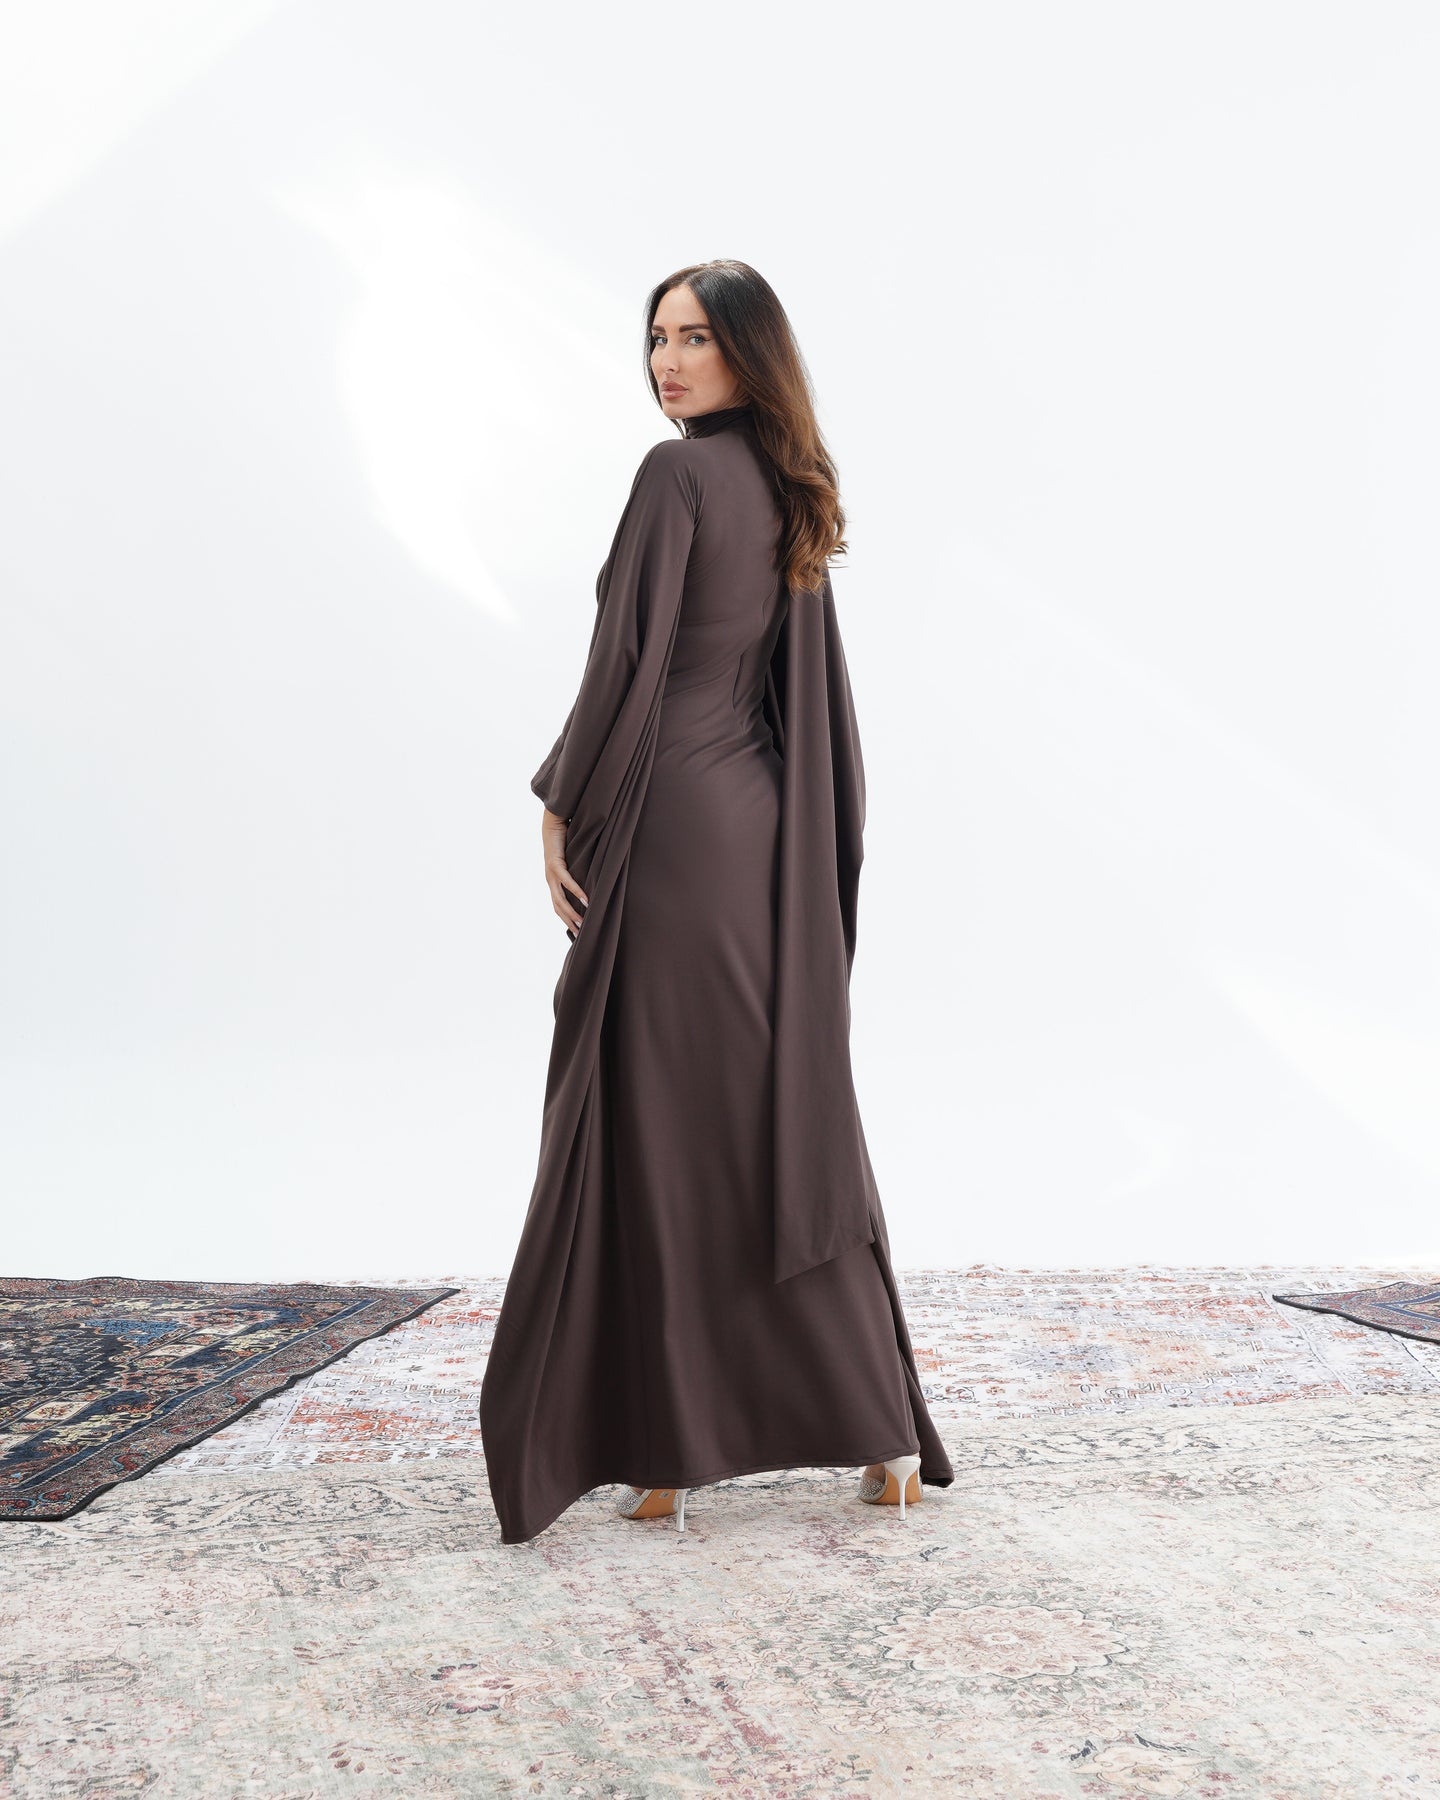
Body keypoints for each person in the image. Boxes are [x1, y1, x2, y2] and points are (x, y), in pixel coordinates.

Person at [478, 259, 953, 1545]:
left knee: (665, 1130)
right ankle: (876, 1435)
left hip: (675, 828)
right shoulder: (785, 486)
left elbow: (626, 660)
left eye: (694, 338)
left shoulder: (675, 478)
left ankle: (673, 1448)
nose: (667, 362)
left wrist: (561, 799)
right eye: (656, 338)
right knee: (768, 1115)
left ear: (748, 351)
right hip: (757, 832)